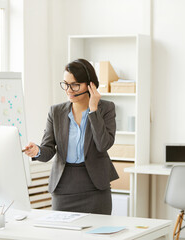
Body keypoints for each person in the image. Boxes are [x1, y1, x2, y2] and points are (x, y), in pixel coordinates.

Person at [23, 58, 119, 214]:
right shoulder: (56, 112)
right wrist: (37, 151)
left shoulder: (106, 109)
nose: (69, 90)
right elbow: (48, 148)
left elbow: (103, 145)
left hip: (95, 188)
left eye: (74, 85)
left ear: (90, 85)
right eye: (65, 84)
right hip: (64, 187)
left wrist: (93, 110)